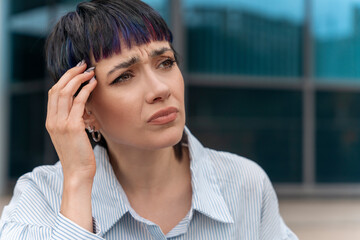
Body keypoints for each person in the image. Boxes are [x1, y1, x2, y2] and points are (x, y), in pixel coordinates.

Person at [0, 0, 298, 239]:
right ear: (84, 109)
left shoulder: (245, 184)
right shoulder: (41, 197)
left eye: (165, 62)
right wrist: (77, 180)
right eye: (124, 76)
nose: (160, 89)